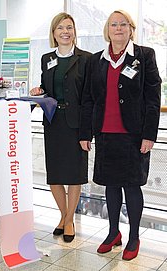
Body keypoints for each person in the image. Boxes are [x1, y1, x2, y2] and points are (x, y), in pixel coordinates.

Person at [79, 10, 161, 261]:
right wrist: (86, 133)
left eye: (123, 24)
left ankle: (134, 236)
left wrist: (149, 135)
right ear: (107, 29)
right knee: (110, 186)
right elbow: (89, 99)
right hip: (105, 133)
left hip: (133, 135)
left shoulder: (145, 56)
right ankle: (114, 232)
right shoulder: (96, 60)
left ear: (131, 29)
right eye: (113, 24)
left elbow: (153, 99)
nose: (118, 28)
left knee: (132, 187)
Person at [30, 12, 91, 243]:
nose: (65, 32)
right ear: (53, 33)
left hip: (76, 124)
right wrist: (39, 91)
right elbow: (47, 87)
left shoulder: (86, 58)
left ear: (74, 31)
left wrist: (88, 131)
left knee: (74, 175)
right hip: (53, 121)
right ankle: (64, 216)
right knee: (55, 175)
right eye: (60, 28)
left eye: (69, 27)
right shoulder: (46, 58)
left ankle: (68, 221)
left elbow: (89, 98)